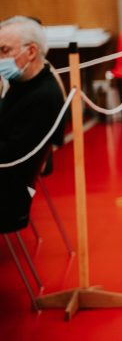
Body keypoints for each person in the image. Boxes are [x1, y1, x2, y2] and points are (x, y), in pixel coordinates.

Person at [0, 16, 65, 233]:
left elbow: (10, 157)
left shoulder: (43, 97)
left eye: (4, 50)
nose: (0, 58)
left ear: (31, 52)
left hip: (9, 198)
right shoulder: (23, 83)